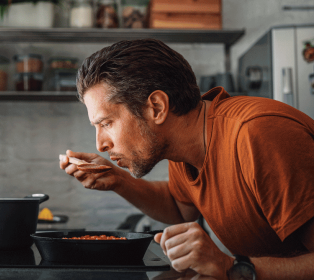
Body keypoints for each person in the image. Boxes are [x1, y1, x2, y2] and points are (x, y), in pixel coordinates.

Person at [59, 39, 314, 280]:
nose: (100, 144)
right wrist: (119, 181)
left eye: (106, 123)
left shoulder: (259, 135)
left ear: (156, 107)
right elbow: (181, 208)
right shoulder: (183, 144)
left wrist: (231, 267)